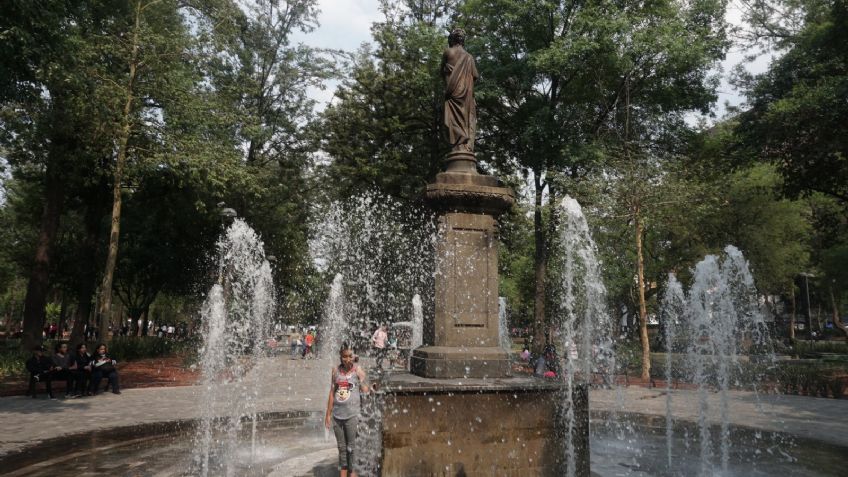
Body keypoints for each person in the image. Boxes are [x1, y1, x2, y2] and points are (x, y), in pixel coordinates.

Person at [325, 343, 369, 477]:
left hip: (352, 415)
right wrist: (328, 414)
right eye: (344, 356)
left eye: (350, 356)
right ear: (341, 357)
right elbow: (332, 393)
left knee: (351, 447)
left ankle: (353, 473)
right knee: (341, 448)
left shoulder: (357, 370)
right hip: (337, 416)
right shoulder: (336, 371)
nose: (347, 359)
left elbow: (365, 390)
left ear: (353, 356)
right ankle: (343, 474)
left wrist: (364, 382)